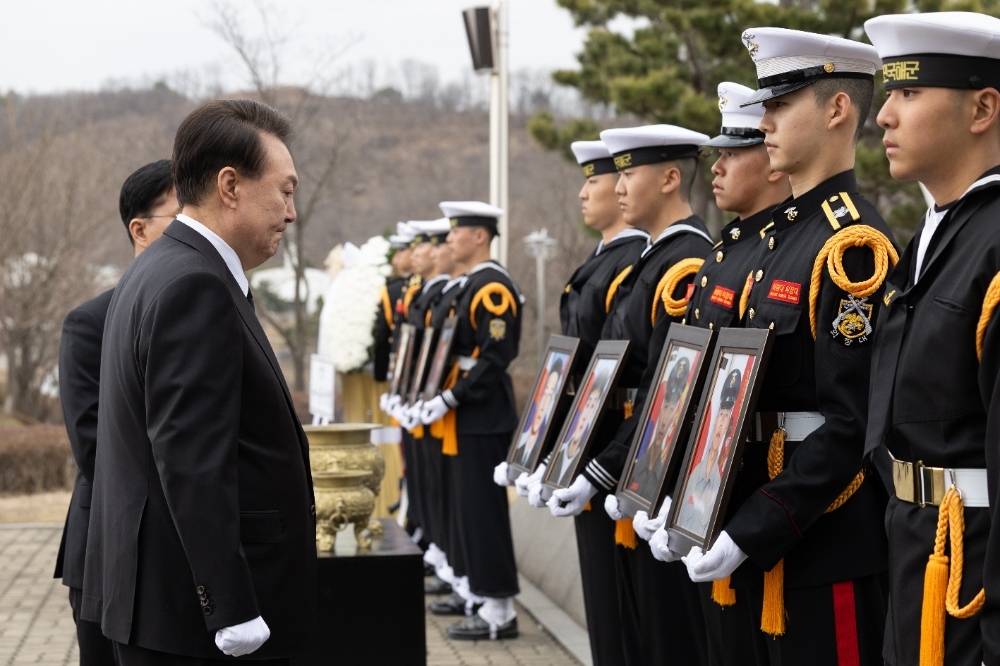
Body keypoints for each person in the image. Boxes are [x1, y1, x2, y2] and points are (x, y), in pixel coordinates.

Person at [678, 28, 896, 663]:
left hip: (819, 540)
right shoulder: (776, 244)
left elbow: (851, 423)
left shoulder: (851, 245)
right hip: (750, 518)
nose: (763, 121)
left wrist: (756, 527)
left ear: (836, 110)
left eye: (779, 105)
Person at [81, 99, 317, 665]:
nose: (291, 212)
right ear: (229, 185)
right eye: (284, 191)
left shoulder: (158, 267)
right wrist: (231, 609)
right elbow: (191, 463)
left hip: (166, 612)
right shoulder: (195, 284)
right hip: (200, 627)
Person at [544, 124, 714, 665]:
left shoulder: (685, 261)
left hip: (652, 471)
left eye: (629, 172)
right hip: (631, 460)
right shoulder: (655, 259)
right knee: (632, 625)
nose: (617, 186)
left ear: (669, 178)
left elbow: (668, 393)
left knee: (665, 633)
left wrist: (599, 469)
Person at [863, 12, 1000, 666]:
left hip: (973, 580)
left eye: (909, 92)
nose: (884, 116)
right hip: (917, 554)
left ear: (982, 109)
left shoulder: (994, 240)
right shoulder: (933, 236)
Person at [647, 80, 789, 666]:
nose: (718, 166)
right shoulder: (726, 253)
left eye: (734, 151)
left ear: (773, 164)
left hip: (769, 491)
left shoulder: (817, 246)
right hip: (715, 489)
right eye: (717, 153)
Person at [514, 139, 645, 666]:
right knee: (605, 600)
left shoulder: (634, 260)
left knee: (624, 605)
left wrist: (585, 462)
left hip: (613, 441)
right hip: (586, 438)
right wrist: (548, 453)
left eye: (598, 181)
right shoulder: (607, 258)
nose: (587, 193)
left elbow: (615, 372)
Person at [53, 159, 178, 666]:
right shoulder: (91, 322)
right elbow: (95, 448)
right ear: (140, 229)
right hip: (113, 548)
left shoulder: (217, 306)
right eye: (181, 215)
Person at [419, 201, 524, 640]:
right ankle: (476, 593)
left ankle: (499, 610)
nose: (448, 241)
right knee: (465, 511)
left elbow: (496, 356)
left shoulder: (492, 288)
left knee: (483, 514)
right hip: (462, 414)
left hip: (481, 413)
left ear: (479, 236)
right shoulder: (469, 285)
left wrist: (452, 396)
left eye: (455, 233)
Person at [676, 368, 742, 537]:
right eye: (721, 414)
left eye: (727, 416)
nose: (722, 422)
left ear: (729, 428)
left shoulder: (722, 475)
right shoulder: (694, 472)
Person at [627, 354, 690, 499]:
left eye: (672, 409)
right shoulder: (638, 463)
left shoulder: (667, 464)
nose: (664, 420)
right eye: (665, 407)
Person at [374, 222, 415, 382]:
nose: (395, 261)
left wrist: (380, 375)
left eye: (401, 252)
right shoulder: (399, 288)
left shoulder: (399, 289)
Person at [553, 371, 609, 486]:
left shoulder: (593, 445)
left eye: (593, 406)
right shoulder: (562, 449)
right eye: (587, 405)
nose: (586, 413)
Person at [513, 355, 564, 467]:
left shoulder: (547, 441)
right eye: (545, 392)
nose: (545, 401)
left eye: (551, 394)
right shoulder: (521, 443)